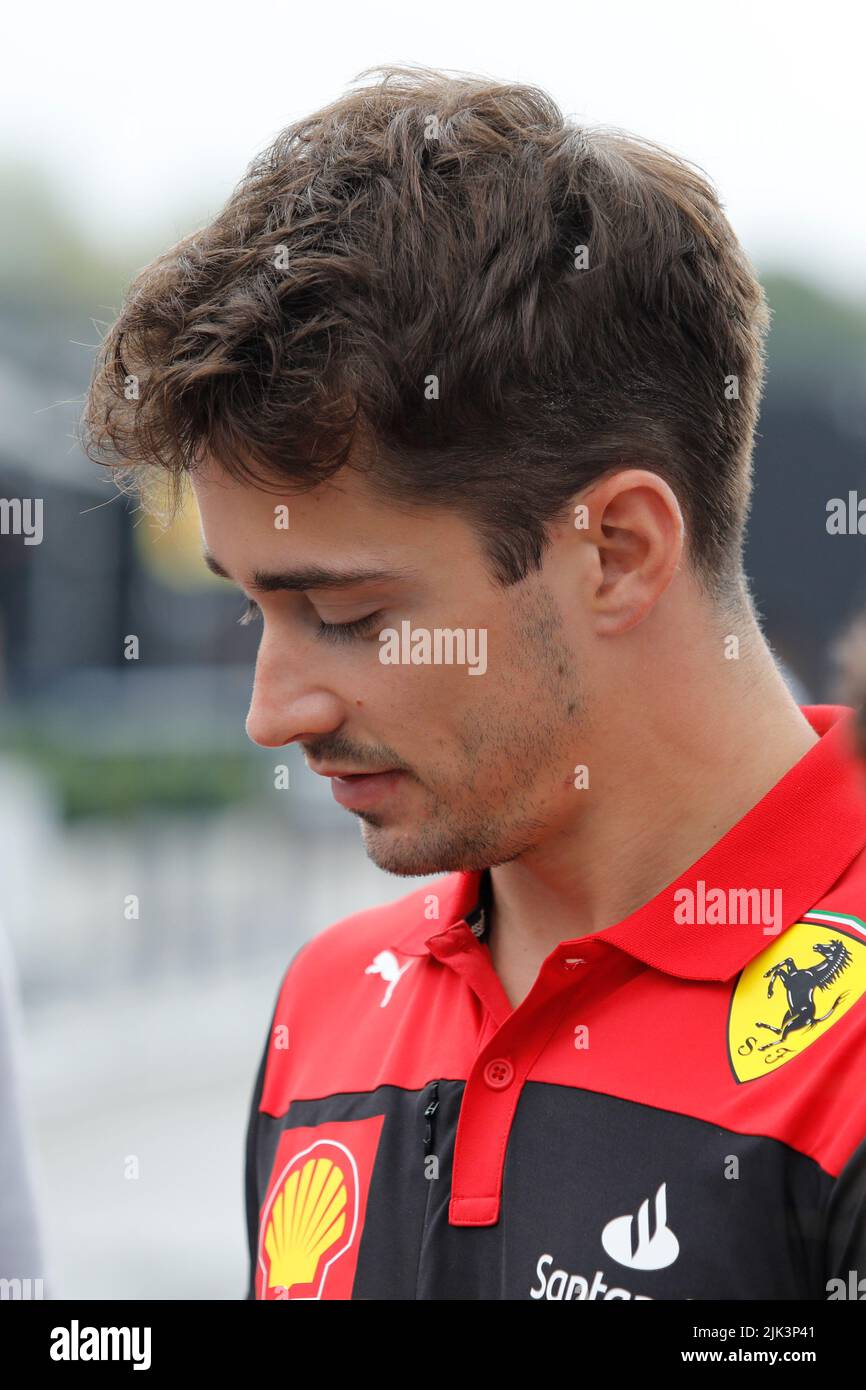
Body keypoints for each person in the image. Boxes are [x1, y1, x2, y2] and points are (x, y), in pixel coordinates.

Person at [81, 65, 866, 1301]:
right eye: (252, 606)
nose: (269, 711)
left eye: (344, 614)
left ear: (614, 551)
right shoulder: (331, 1002)